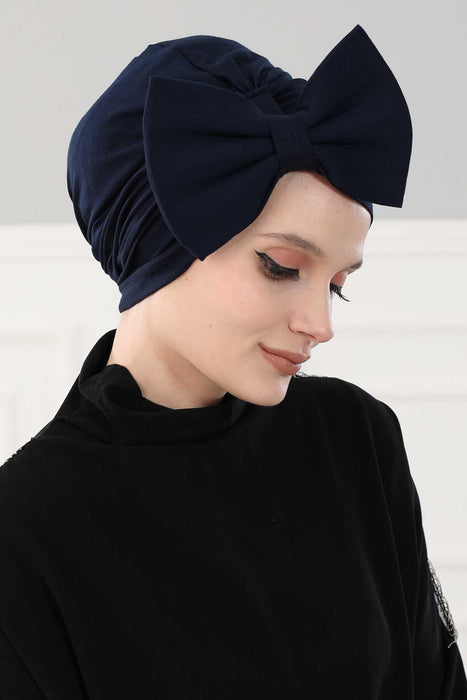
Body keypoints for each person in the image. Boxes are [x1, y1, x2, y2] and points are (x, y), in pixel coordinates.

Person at [0, 24, 466, 699]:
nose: (320, 325)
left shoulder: (355, 438)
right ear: (157, 244)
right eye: (281, 266)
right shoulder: (26, 530)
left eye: (337, 284)